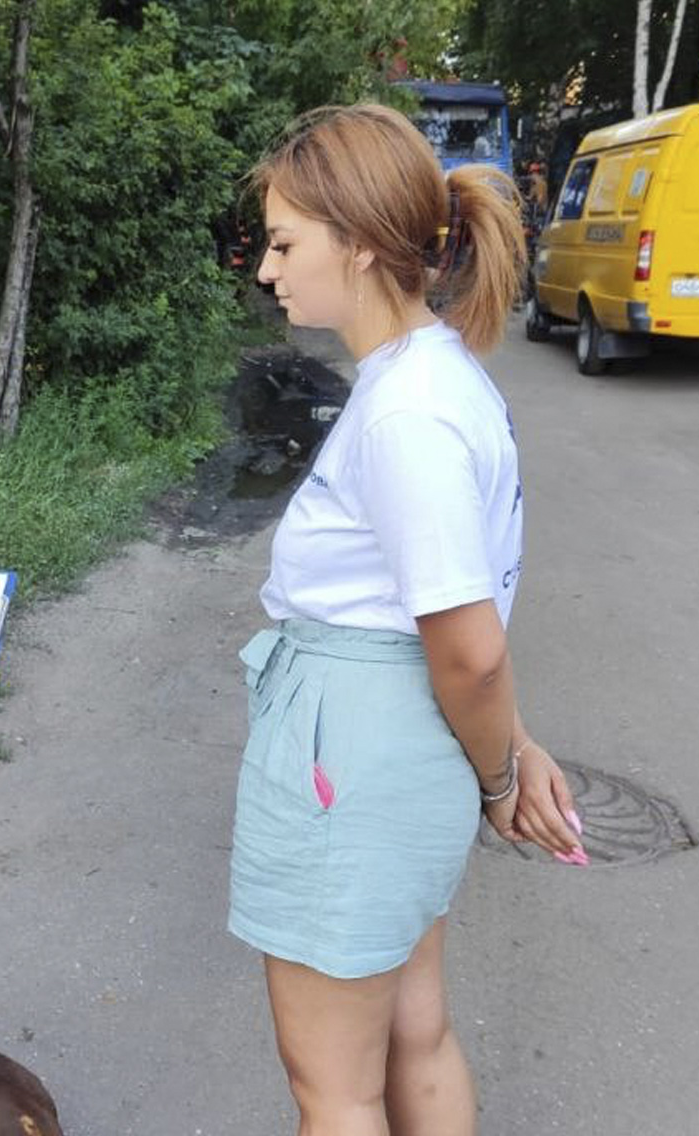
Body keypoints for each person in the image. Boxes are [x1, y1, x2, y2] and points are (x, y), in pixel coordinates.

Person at [228, 104, 587, 1136]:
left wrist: (502, 773)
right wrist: (505, 747)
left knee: (333, 1089)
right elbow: (443, 620)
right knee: (412, 1030)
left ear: (365, 242)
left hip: (356, 760)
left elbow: (467, 650)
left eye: (287, 242)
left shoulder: (409, 411)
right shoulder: (430, 381)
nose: (267, 270)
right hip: (392, 751)